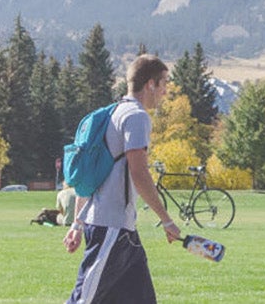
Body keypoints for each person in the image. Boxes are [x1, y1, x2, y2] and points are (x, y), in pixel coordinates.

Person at [65, 54, 183, 304]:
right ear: (150, 84)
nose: (165, 91)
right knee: (83, 300)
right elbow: (139, 173)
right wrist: (166, 220)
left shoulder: (113, 113)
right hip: (112, 227)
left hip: (123, 231)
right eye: (164, 84)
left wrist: (77, 224)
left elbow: (91, 176)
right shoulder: (137, 117)